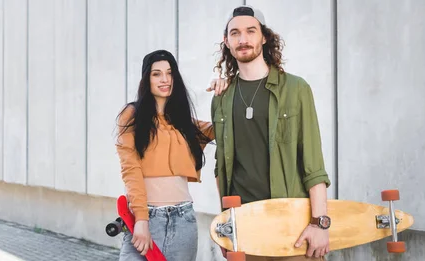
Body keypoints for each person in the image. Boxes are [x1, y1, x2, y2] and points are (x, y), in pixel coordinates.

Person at [208, 5, 332, 261]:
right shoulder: (222, 98)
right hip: (244, 228)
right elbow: (221, 167)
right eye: (235, 33)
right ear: (227, 42)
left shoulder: (296, 89)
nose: (243, 40)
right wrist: (225, 225)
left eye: (250, 31)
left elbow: (313, 165)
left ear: (264, 37)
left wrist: (319, 223)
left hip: (293, 226)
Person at [115, 49, 226, 261]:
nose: (165, 79)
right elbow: (131, 169)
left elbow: (225, 129)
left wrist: (224, 92)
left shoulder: (184, 123)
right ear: (146, 78)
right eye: (156, 74)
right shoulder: (132, 116)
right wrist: (141, 219)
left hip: (183, 219)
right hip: (147, 217)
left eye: (169, 73)